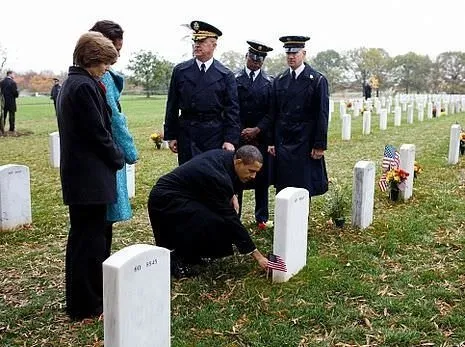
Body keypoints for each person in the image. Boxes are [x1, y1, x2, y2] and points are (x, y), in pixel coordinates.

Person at [56, 31, 124, 320]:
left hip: (83, 177)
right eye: (104, 63)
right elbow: (98, 133)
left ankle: (83, 300)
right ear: (91, 59)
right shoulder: (83, 86)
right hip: (89, 178)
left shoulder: (73, 83)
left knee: (83, 240)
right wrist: (118, 157)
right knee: (90, 243)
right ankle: (87, 304)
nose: (106, 69)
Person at [147, 145, 269, 278]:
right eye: (251, 171)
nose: (253, 176)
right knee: (211, 220)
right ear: (239, 162)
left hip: (186, 195)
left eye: (256, 172)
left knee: (213, 219)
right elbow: (230, 218)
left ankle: (193, 254)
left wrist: (231, 194)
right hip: (166, 200)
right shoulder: (217, 176)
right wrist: (257, 256)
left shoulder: (228, 158)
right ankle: (176, 260)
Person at [89, 20, 139, 258]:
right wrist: (129, 152)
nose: (118, 56)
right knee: (101, 224)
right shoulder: (102, 77)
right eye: (115, 50)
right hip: (105, 157)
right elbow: (115, 119)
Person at [164, 20, 240, 165]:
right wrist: (171, 135)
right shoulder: (180, 71)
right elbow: (172, 106)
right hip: (187, 133)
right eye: (195, 41)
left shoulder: (225, 75)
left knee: (210, 175)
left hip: (213, 134)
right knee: (188, 176)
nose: (197, 45)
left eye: (202, 41)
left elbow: (232, 110)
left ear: (214, 45)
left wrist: (230, 140)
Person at [268, 36, 329, 196]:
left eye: (295, 53)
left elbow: (321, 114)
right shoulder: (280, 80)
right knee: (284, 184)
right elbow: (274, 114)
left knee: (303, 184)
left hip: (305, 141)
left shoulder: (316, 80)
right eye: (288, 53)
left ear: (304, 53)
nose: (291, 56)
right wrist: (271, 142)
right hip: (284, 141)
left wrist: (319, 144)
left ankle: (301, 219)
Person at [235, 40, 274, 228]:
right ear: (246, 57)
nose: (256, 61)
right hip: (239, 136)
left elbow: (272, 112)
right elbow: (231, 108)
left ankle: (262, 218)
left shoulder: (269, 82)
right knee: (238, 175)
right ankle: (236, 216)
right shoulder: (234, 80)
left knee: (262, 177)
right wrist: (242, 131)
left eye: (260, 58)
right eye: (253, 57)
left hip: (261, 137)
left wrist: (258, 130)